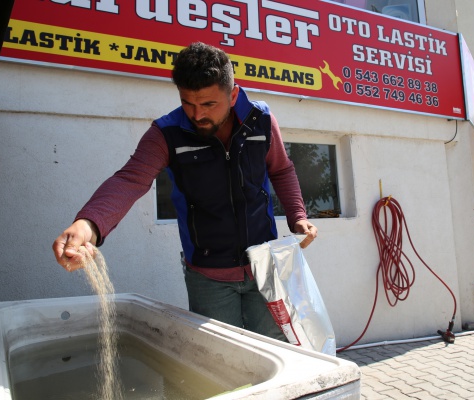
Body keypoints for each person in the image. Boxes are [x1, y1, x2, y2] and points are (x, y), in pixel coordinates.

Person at [52, 42, 317, 341]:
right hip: (208, 276)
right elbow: (129, 180)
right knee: (218, 359)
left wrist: (298, 216)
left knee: (275, 350)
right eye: (187, 103)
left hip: (266, 266)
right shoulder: (167, 133)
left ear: (232, 95)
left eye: (208, 104)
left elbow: (281, 170)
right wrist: (88, 224)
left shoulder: (262, 120)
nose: (197, 114)